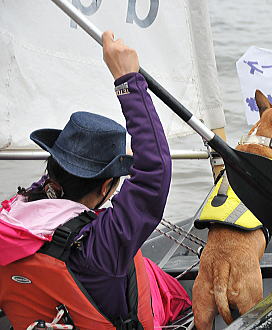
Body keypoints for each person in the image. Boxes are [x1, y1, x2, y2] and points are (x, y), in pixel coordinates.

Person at [0, 31, 191, 329]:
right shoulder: (102, 246)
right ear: (106, 187)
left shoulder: (9, 222)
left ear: (52, 169)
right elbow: (154, 173)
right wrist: (128, 81)